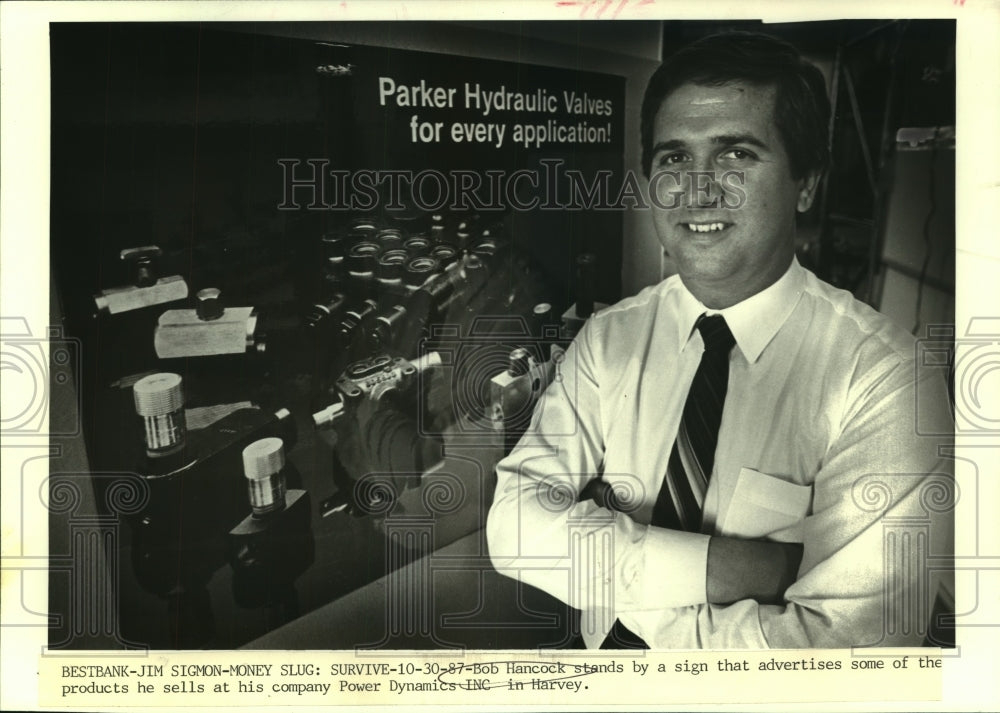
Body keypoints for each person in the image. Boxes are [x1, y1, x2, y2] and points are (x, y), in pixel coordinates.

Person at [486, 31, 954, 649]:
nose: (698, 188)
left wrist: (613, 567)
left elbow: (847, 653)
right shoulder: (611, 337)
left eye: (735, 154)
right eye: (673, 158)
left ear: (806, 183)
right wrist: (750, 568)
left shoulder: (886, 378)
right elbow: (514, 528)